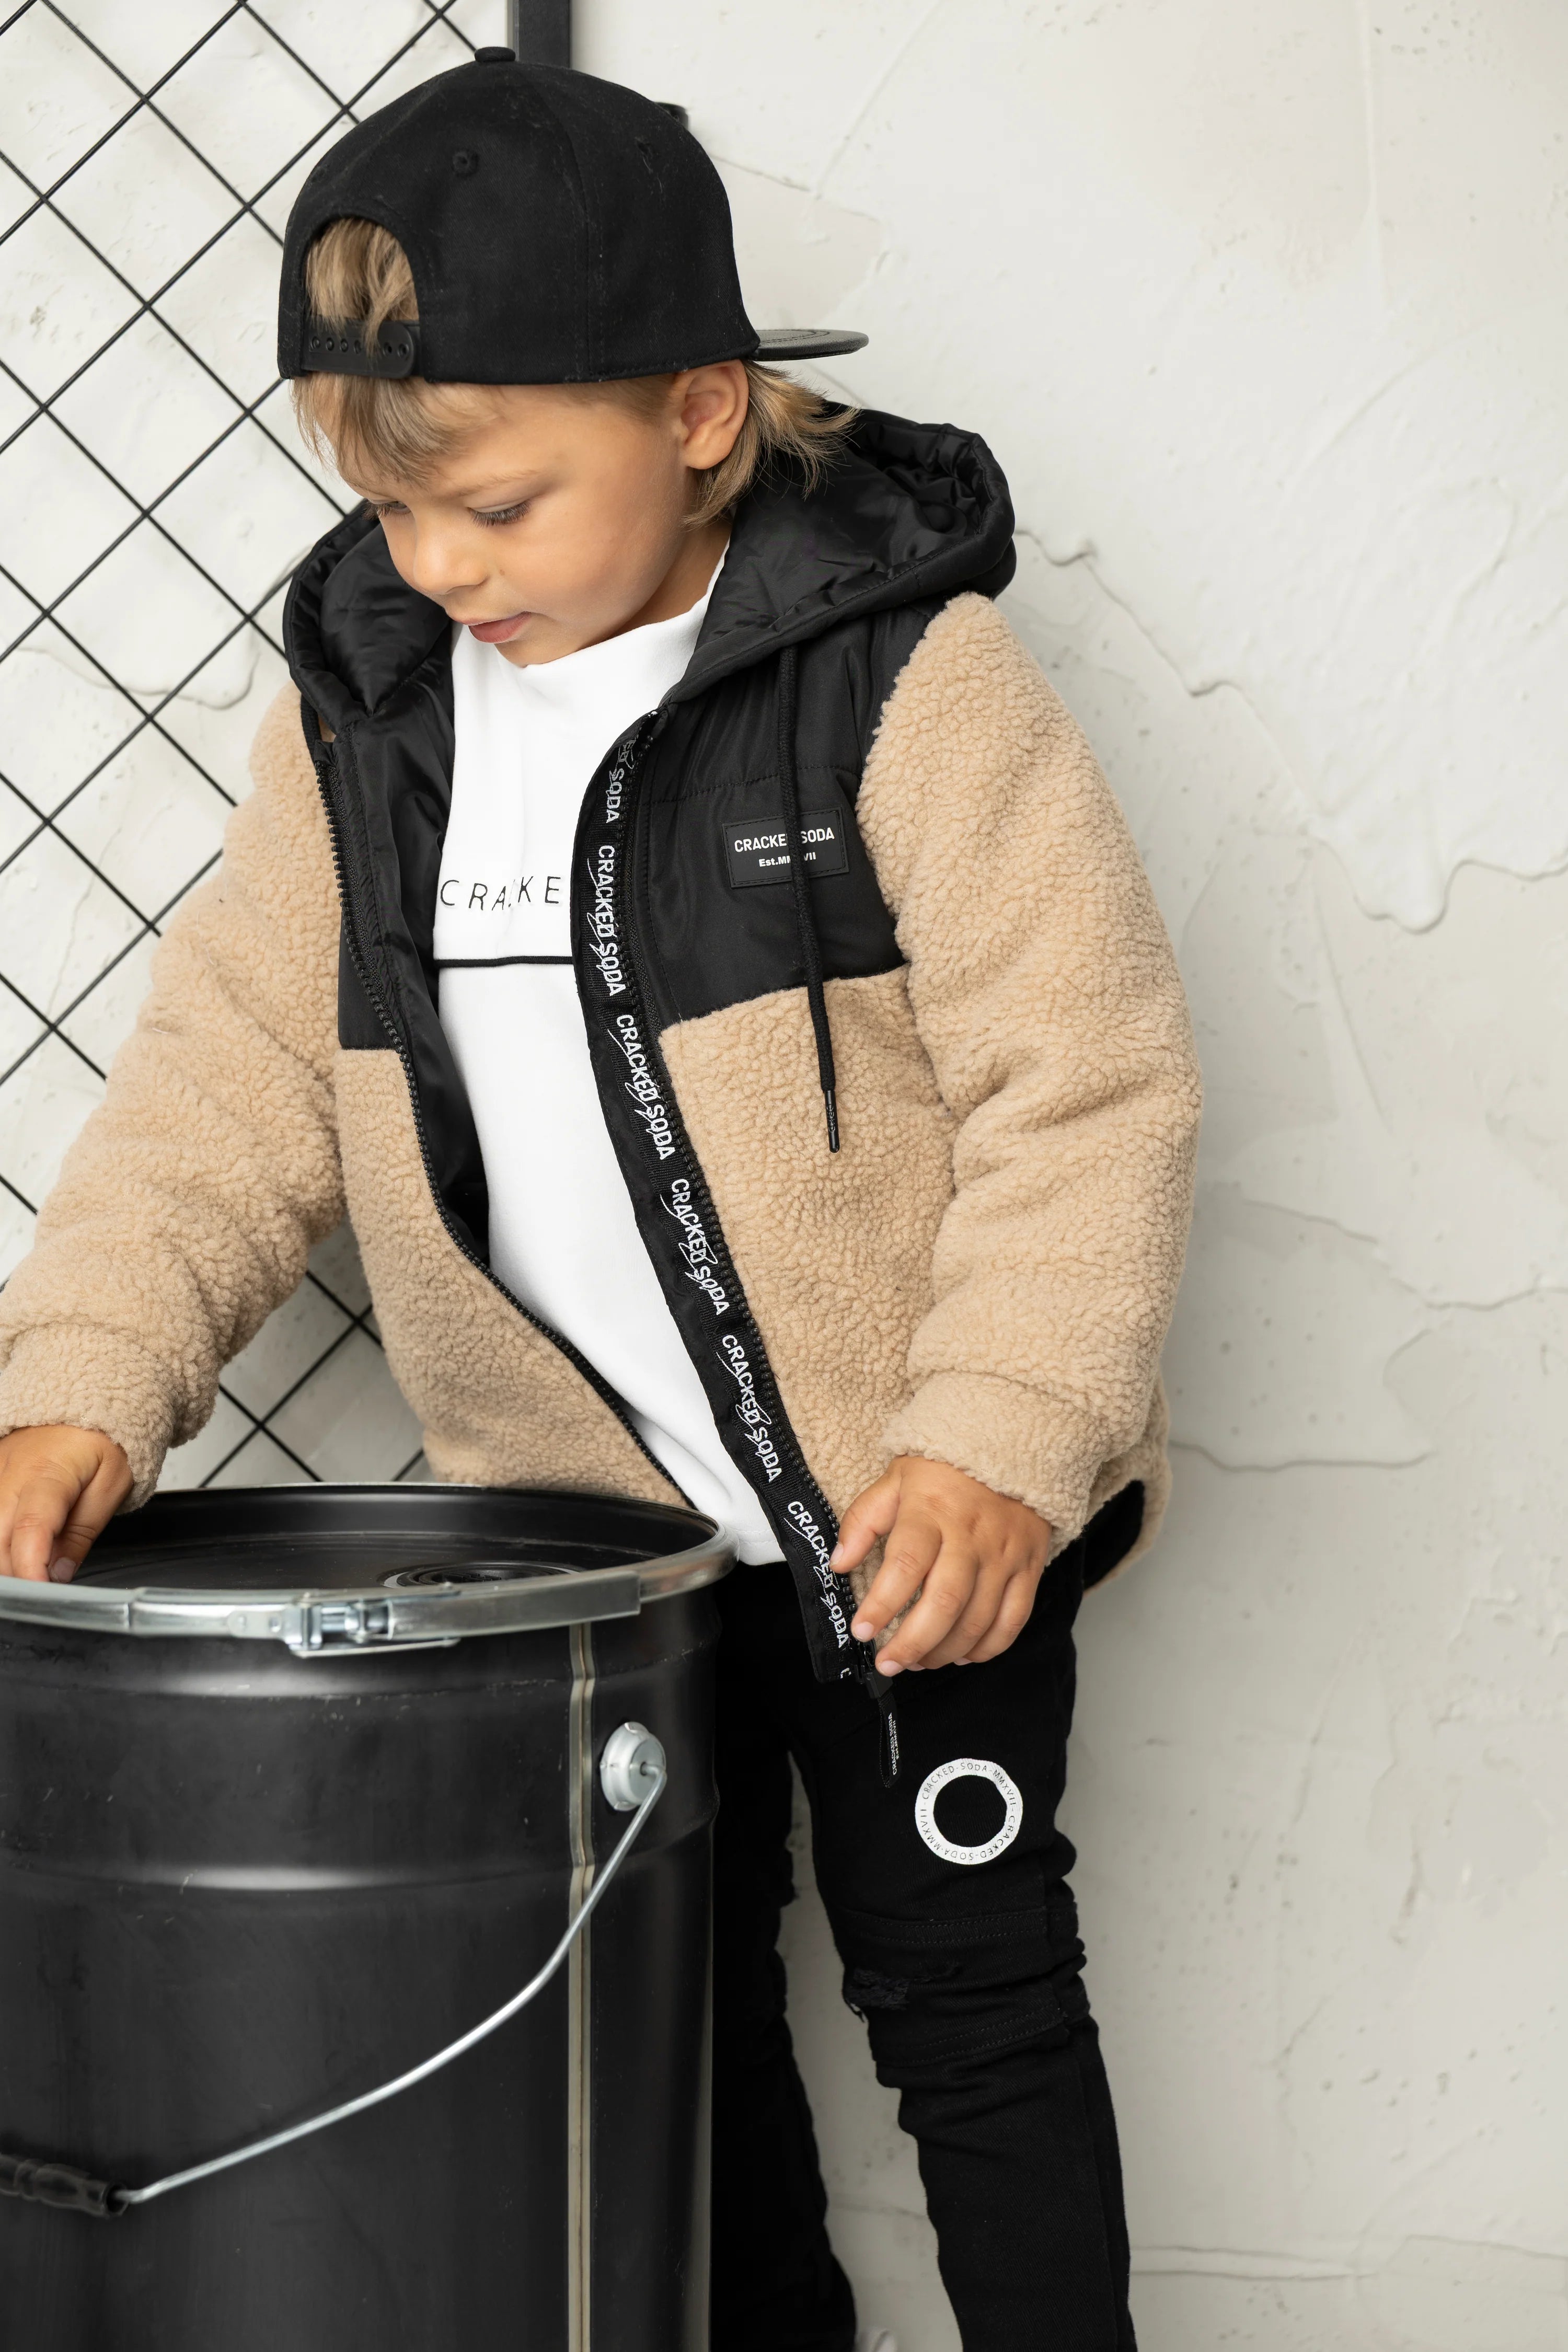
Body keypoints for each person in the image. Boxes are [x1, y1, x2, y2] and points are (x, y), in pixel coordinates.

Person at [0, 51, 1200, 2352]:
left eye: (497, 505)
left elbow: (1091, 1082)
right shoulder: (374, 728)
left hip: (911, 1522)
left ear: (701, 413)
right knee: (671, 2042)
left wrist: (1006, 1437)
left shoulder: (902, 682)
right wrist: (83, 1378)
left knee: (973, 2011)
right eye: (388, 508)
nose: (437, 566)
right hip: (598, 1573)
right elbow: (226, 1082)